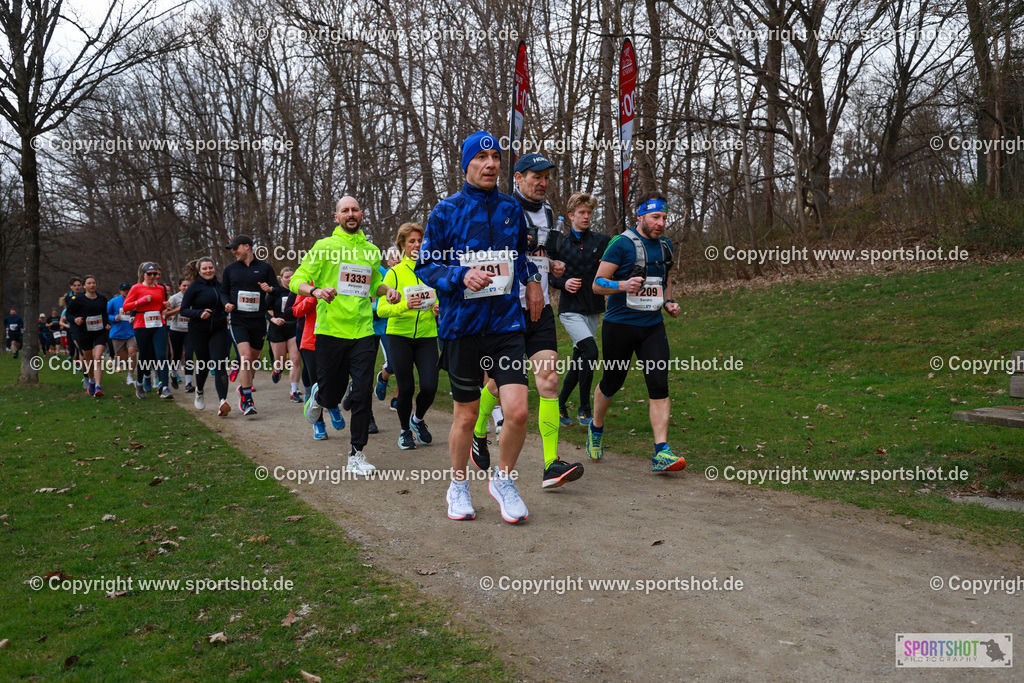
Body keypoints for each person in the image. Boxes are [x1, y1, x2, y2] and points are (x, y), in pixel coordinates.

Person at [417, 130, 542, 523]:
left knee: (518, 412)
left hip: (506, 324)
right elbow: (426, 265)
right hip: (462, 326)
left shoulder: (511, 208)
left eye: (495, 157)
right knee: (467, 416)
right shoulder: (445, 211)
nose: (490, 164)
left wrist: (534, 281)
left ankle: (503, 480)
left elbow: (519, 256)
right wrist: (459, 276)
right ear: (466, 163)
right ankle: (457, 485)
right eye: (481, 157)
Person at [472, 152, 585, 490]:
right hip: (507, 309)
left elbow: (545, 253)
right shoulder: (502, 210)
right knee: (499, 385)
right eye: (535, 176)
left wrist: (555, 265)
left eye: (546, 176)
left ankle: (551, 463)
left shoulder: (550, 213)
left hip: (541, 309)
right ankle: (479, 430)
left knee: (548, 379)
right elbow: (494, 255)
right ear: (517, 178)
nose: (542, 182)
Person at [290, 196, 401, 474]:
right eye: (345, 211)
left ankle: (356, 454)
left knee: (362, 392)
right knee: (332, 395)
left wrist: (386, 290)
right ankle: (319, 397)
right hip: (330, 331)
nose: (350, 214)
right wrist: (315, 291)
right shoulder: (324, 247)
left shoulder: (371, 250)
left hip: (363, 331)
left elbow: (373, 282)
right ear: (336, 216)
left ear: (361, 214)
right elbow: (297, 279)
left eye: (354, 210)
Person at [587, 192, 686, 472]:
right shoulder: (621, 244)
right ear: (640, 216)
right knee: (612, 382)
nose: (661, 223)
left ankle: (661, 451)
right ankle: (596, 428)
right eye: (656, 217)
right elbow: (597, 285)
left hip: (652, 327)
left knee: (659, 384)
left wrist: (668, 302)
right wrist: (622, 286)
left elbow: (665, 280)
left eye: (665, 217)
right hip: (619, 326)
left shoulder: (665, 246)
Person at [548, 192, 611, 427]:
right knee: (591, 353)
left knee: (580, 359)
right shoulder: (559, 243)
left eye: (589, 213)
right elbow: (547, 277)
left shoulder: (602, 241)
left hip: (594, 308)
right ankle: (585, 407)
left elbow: (614, 266)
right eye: (582, 213)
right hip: (570, 309)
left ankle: (560, 404)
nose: (586, 217)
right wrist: (563, 283)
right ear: (571, 215)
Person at [377, 223, 439, 451]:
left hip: (427, 336)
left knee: (430, 386)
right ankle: (404, 431)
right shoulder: (394, 273)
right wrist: (404, 305)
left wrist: (439, 309)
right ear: (402, 245)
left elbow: (439, 298)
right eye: (411, 241)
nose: (417, 245)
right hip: (399, 336)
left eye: (420, 241)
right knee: (406, 388)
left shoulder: (432, 269)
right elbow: (381, 309)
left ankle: (418, 420)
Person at [222, 235, 277, 416]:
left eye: (235, 248)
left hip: (258, 321)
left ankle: (242, 389)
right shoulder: (230, 270)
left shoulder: (265, 268)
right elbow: (223, 292)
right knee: (244, 357)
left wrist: (269, 290)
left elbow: (276, 291)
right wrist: (226, 304)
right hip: (238, 320)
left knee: (253, 359)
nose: (234, 252)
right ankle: (247, 400)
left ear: (246, 247)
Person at [180, 257, 232, 416]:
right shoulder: (194, 287)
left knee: (220, 364)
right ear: (199, 271)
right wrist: (198, 313)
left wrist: (228, 308)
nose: (208, 270)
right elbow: (183, 310)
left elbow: (226, 302)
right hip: (199, 330)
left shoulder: (221, 286)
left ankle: (222, 401)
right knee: (203, 364)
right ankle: (200, 391)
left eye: (210, 267)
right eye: (205, 269)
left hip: (219, 329)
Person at [122, 262, 172, 399]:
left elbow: (161, 306)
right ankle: (139, 382)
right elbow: (126, 307)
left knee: (162, 355)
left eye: (154, 273)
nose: (152, 276)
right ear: (143, 274)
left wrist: (165, 305)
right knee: (145, 356)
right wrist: (141, 301)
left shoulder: (160, 288)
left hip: (158, 323)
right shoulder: (136, 288)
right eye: (149, 274)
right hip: (142, 324)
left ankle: (164, 386)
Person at [292, 282, 327, 439]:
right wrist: (314, 294)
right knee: (316, 384)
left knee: (334, 381)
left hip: (337, 339)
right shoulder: (308, 284)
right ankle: (318, 423)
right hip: (311, 340)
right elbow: (296, 311)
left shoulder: (339, 278)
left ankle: (333, 407)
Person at [65, 276, 110, 396]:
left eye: (94, 283)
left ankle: (98, 387)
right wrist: (75, 319)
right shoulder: (78, 299)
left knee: (98, 357)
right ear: (85, 285)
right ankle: (91, 380)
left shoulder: (102, 299)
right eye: (89, 283)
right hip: (85, 332)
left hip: (100, 331)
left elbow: (105, 314)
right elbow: (68, 315)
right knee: (88, 360)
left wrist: (107, 324)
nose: (92, 285)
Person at [268, 267, 302, 402]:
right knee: (280, 361)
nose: (289, 279)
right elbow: (265, 310)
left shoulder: (299, 291)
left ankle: (294, 391)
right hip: (277, 329)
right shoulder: (275, 292)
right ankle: (278, 369)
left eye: (292, 276)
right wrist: (274, 319)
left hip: (294, 328)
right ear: (281, 278)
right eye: (286, 277)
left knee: (295, 359)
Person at [107, 283, 139, 386]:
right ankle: (126, 366)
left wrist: (134, 318)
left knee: (132, 353)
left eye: (128, 290)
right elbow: (106, 315)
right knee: (123, 358)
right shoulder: (113, 302)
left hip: (132, 332)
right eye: (124, 290)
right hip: (117, 333)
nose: (126, 291)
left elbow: (140, 313)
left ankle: (130, 376)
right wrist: (113, 318)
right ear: (120, 291)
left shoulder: (135, 301)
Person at [166, 278, 192, 390]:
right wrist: (179, 309)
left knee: (189, 355)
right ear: (179, 286)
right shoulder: (174, 298)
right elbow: (166, 314)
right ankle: (174, 375)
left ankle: (188, 383)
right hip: (176, 330)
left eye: (188, 286)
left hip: (190, 331)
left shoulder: (194, 297)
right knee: (176, 355)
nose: (186, 288)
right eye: (184, 286)